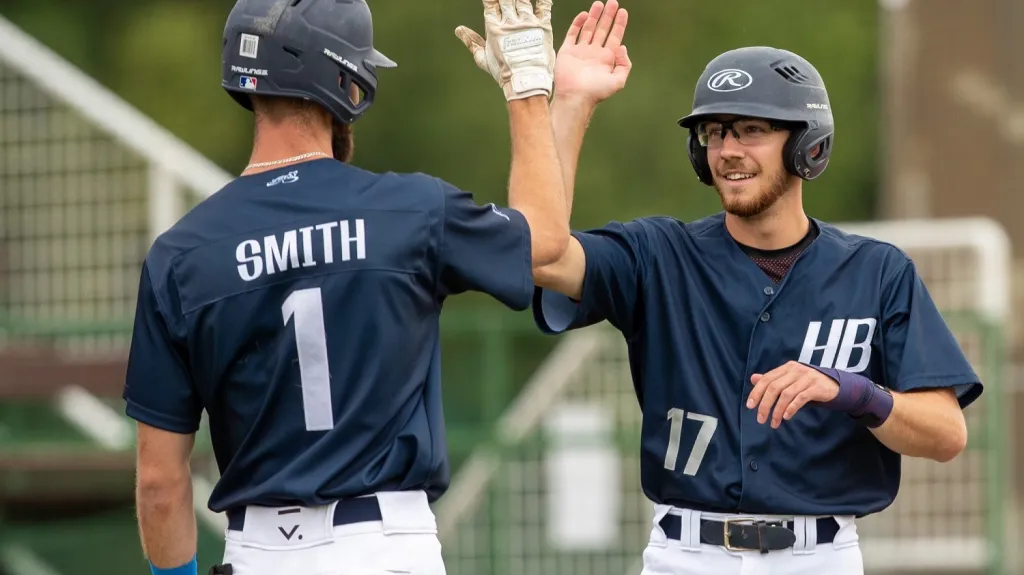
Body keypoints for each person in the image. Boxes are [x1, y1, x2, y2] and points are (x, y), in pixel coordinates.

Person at [119, 0, 629, 573]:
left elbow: (161, 484)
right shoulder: (410, 208)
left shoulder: (179, 255)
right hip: (384, 546)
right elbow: (546, 238)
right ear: (343, 81)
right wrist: (530, 87)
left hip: (257, 553)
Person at [531, 45, 982, 575]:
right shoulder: (659, 254)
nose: (726, 149)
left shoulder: (877, 272)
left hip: (821, 557)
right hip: (685, 554)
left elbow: (946, 434)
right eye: (714, 133)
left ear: (806, 146)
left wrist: (853, 392)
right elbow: (544, 255)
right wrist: (568, 104)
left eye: (750, 129)